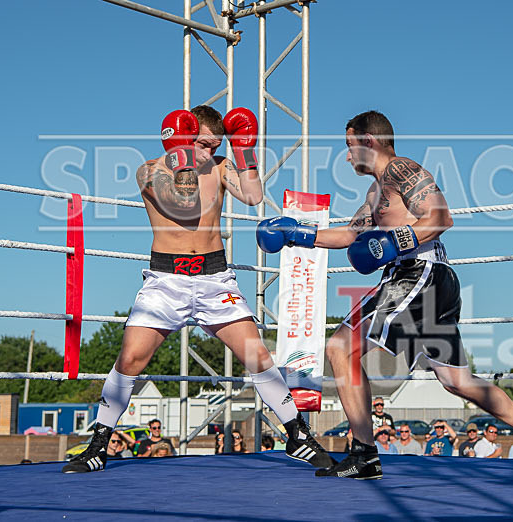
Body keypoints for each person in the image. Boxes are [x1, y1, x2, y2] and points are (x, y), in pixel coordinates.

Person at [258, 110, 513, 479]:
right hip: (425, 279)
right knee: (456, 381)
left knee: (340, 348)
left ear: (368, 141)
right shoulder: (375, 192)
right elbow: (350, 236)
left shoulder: (402, 170)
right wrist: (296, 234)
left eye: (350, 145)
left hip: (417, 273)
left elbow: (440, 218)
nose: (347, 155)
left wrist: (393, 243)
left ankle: (364, 454)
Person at [61, 105, 333, 474]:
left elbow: (253, 196)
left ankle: (297, 435)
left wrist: (244, 149)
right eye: (202, 144)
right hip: (166, 280)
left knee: (257, 355)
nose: (208, 152)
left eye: (215, 146)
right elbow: (184, 206)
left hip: (214, 278)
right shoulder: (151, 170)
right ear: (185, 136)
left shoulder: (220, 167)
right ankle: (98, 445)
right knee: (131, 359)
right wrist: (183, 153)